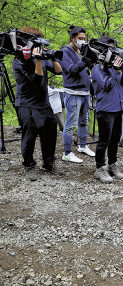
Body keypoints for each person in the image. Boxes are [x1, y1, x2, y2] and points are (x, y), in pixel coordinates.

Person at [12, 26, 63, 181]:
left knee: (50, 131)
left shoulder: (41, 57)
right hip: (26, 103)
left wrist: (52, 57)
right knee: (29, 136)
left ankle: (48, 163)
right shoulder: (19, 61)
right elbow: (36, 80)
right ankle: (28, 165)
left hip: (43, 103)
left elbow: (59, 71)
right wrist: (39, 61)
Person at [90, 36, 123, 183]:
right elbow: (107, 85)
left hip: (118, 108)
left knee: (115, 139)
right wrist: (115, 70)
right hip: (105, 108)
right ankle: (100, 168)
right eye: (110, 49)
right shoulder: (97, 68)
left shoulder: (114, 67)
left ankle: (112, 164)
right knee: (104, 140)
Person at [60, 25, 95, 164]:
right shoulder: (65, 51)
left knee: (83, 121)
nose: (82, 41)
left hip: (85, 92)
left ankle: (82, 145)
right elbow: (71, 70)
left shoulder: (82, 51)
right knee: (70, 124)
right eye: (80, 38)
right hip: (73, 92)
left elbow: (89, 68)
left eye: (84, 39)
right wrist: (85, 60)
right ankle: (67, 152)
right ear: (72, 38)